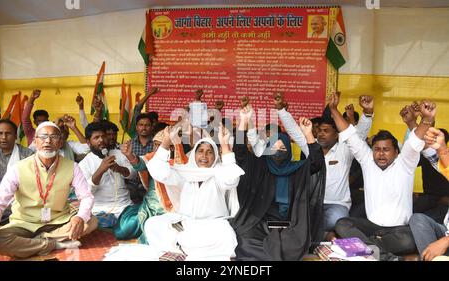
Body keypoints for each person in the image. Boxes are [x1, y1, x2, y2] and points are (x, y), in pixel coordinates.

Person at [331, 92, 436, 260]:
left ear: (396, 152)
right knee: (343, 224)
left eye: (386, 150)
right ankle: (386, 256)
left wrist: (427, 120)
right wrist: (333, 109)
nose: (380, 154)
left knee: (409, 240)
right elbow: (349, 135)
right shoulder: (367, 160)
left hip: (399, 231)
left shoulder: (405, 162)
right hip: (371, 227)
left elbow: (415, 141)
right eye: (377, 149)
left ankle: (363, 248)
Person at [232, 99, 326, 261]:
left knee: (293, 247)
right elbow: (240, 153)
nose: (278, 152)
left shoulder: (297, 169)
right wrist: (244, 122)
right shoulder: (259, 165)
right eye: (273, 148)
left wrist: (308, 134)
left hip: (289, 225)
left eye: (282, 148)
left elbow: (317, 162)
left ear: (289, 151)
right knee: (245, 242)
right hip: (258, 222)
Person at [274, 92, 373, 239]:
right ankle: (325, 235)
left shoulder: (345, 150)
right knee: (295, 217)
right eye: (319, 130)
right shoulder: (311, 148)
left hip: (336, 206)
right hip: (312, 204)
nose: (320, 134)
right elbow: (295, 132)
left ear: (336, 134)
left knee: (335, 220)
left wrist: (368, 113)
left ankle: (318, 234)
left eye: (326, 131)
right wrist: (281, 110)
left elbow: (360, 134)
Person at [144, 125, 244, 260]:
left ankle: (182, 250)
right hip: (186, 225)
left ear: (215, 156)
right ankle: (186, 250)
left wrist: (225, 146)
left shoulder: (220, 173)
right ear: (194, 154)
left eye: (209, 152)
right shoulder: (184, 172)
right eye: (200, 151)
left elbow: (231, 179)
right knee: (152, 224)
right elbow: (158, 172)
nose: (204, 156)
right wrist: (166, 141)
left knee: (226, 237)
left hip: (213, 226)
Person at [0, 121, 96, 259]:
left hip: (57, 222)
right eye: (43, 137)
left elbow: (86, 197)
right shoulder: (18, 168)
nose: (48, 141)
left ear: (60, 141)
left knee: (90, 221)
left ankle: (38, 240)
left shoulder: (72, 167)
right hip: (24, 223)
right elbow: (0, 200)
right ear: (35, 141)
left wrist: (80, 217)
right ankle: (52, 244)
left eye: (53, 137)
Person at [121, 125, 188, 244]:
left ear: (172, 148)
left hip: (174, 209)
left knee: (157, 237)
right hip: (149, 206)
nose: (157, 148)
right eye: (155, 144)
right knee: (123, 230)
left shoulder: (182, 164)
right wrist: (129, 155)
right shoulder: (151, 158)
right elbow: (140, 164)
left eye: (160, 144)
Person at [78, 122, 138, 240]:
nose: (101, 140)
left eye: (103, 136)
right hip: (100, 211)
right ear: (89, 142)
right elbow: (86, 192)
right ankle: (114, 229)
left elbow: (134, 174)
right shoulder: (84, 164)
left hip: (125, 207)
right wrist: (100, 170)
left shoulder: (119, 154)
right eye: (96, 138)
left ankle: (115, 230)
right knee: (86, 227)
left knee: (140, 217)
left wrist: (119, 169)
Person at [400, 105, 449, 223]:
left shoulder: (444, 157)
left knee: (425, 220)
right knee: (407, 215)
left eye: (437, 137)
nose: (433, 139)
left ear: (444, 141)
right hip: (429, 196)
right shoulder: (429, 155)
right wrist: (413, 122)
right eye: (432, 136)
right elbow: (421, 143)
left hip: (444, 199)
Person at [0, 119, 34, 224]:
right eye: (0, 133)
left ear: (15, 136)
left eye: (8, 133)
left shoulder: (28, 155)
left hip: (18, 204)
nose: (3, 137)